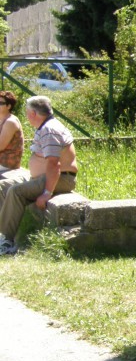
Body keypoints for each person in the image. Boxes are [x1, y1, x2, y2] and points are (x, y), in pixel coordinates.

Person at [0, 96, 79, 255]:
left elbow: (53, 164)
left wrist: (46, 193)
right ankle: (6, 235)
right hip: (44, 177)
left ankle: (5, 243)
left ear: (33, 113)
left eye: (28, 112)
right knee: (3, 186)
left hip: (60, 178)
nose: (27, 116)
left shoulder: (49, 130)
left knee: (16, 192)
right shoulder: (46, 127)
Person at [0, 90, 25, 178]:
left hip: (7, 163)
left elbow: (1, 146)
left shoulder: (10, 122)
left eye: (0, 103)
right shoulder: (1, 119)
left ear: (9, 106)